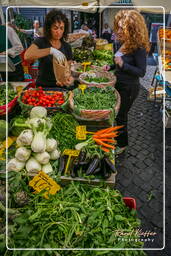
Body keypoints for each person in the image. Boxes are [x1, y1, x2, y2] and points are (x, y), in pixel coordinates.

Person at [103, 10, 150, 154]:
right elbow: (118, 61)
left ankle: (122, 145)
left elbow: (141, 72)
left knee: (121, 116)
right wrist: (110, 67)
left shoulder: (139, 48)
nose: (118, 31)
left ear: (132, 28)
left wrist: (123, 65)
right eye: (118, 27)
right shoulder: (123, 43)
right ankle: (116, 138)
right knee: (117, 114)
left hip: (129, 88)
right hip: (119, 84)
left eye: (122, 28)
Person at [24, 9, 74, 88]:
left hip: (61, 86)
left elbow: (68, 69)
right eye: (55, 28)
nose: (59, 31)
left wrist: (69, 79)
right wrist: (50, 50)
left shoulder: (66, 46)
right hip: (43, 87)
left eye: (61, 28)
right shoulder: (41, 41)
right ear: (49, 28)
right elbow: (27, 56)